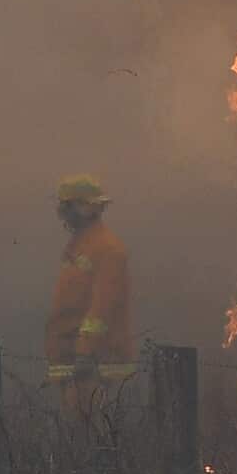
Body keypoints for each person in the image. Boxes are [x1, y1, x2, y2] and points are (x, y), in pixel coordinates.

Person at [45, 174, 136, 423]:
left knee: (91, 438)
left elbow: (102, 308)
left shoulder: (107, 249)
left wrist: (85, 353)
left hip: (95, 365)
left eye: (67, 205)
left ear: (85, 208)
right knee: (76, 441)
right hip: (74, 362)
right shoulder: (80, 246)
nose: (61, 212)